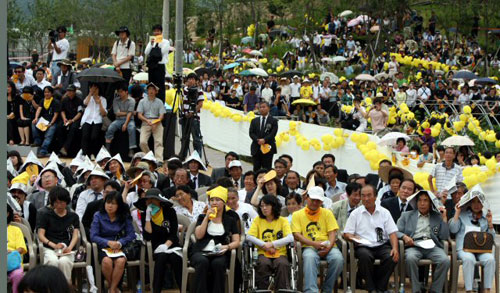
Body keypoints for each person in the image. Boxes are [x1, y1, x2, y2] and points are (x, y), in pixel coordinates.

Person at [343, 185, 399, 292]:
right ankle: (371, 288)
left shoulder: (384, 212)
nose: (366, 199)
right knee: (364, 257)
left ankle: (379, 287)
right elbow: (347, 234)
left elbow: (392, 232)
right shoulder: (356, 213)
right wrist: (355, 238)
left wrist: (395, 248)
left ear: (376, 196)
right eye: (363, 196)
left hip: (382, 245)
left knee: (392, 257)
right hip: (363, 246)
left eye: (369, 195)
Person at [291, 186, 344, 293]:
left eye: (318, 200)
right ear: (306, 198)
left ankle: (327, 289)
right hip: (308, 246)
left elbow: (332, 232)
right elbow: (297, 235)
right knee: (309, 257)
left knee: (338, 259)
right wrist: (314, 244)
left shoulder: (327, 212)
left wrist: (328, 247)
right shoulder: (297, 214)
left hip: (328, 245)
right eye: (313, 200)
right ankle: (311, 290)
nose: (315, 202)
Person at [397, 190, 450, 293]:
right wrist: (404, 237)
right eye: (420, 200)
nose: (422, 203)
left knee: (445, 260)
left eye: (425, 200)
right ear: (416, 203)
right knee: (410, 258)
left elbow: (443, 236)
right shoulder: (406, 215)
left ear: (430, 203)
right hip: (414, 245)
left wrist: (444, 218)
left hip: (432, 246)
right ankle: (416, 290)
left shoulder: (437, 216)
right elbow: (395, 231)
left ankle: (435, 290)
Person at [190, 186, 241, 293]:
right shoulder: (202, 217)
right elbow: (198, 236)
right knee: (202, 262)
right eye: (212, 200)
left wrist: (227, 247)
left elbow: (237, 241)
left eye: (218, 200)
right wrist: (206, 217)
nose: (214, 202)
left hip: (220, 252)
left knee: (218, 264)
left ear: (224, 202)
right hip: (201, 251)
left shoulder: (230, 219)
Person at [134, 188, 183, 292]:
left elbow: (174, 233)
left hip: (171, 244)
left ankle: (183, 289)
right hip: (155, 246)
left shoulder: (169, 211)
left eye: (153, 200)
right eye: (148, 200)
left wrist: (166, 245)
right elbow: (147, 236)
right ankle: (156, 290)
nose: (150, 202)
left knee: (176, 258)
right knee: (161, 258)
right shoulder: (144, 215)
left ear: (159, 201)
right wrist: (148, 218)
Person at [449, 191, 496, 293]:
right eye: (473, 202)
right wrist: (457, 213)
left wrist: (490, 223)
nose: (476, 205)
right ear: (469, 203)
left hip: (481, 249)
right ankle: (469, 290)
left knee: (490, 259)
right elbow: (453, 230)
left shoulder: (485, 217)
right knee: (469, 259)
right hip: (464, 249)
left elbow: (491, 238)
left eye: (479, 202)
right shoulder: (462, 215)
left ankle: (487, 290)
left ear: (483, 204)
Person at [90, 191, 136, 293]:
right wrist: (108, 242)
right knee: (107, 261)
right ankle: (113, 288)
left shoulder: (124, 216)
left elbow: (131, 234)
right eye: (108, 202)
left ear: (119, 205)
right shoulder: (98, 215)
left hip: (119, 246)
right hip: (103, 246)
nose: (110, 206)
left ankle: (112, 289)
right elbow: (93, 236)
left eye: (113, 203)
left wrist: (120, 242)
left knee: (121, 261)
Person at [247, 195, 293, 290]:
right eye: (262, 206)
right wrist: (264, 245)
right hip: (262, 253)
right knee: (263, 264)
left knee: (282, 264)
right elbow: (249, 236)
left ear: (274, 206)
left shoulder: (282, 220)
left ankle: (282, 290)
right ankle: (262, 290)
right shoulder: (258, 220)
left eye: (267, 205)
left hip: (280, 253)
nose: (264, 208)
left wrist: (272, 244)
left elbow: (290, 238)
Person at [36, 186, 79, 283]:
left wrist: (70, 247)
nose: (59, 205)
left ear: (66, 201)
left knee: (64, 262)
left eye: (61, 202)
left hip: (66, 248)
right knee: (52, 261)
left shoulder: (73, 216)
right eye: (56, 202)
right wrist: (53, 245)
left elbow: (75, 235)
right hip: (50, 247)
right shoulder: (45, 215)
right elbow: (41, 235)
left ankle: (65, 287)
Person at [105, 82, 137, 157]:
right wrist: (130, 112)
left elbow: (129, 114)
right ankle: (107, 148)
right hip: (118, 120)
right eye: (118, 91)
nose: (119, 93)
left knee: (132, 128)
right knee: (110, 127)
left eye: (121, 91)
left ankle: (131, 149)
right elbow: (117, 113)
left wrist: (126, 123)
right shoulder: (116, 100)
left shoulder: (132, 100)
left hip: (129, 120)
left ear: (126, 92)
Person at [137, 83, 166, 162]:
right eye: (149, 89)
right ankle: (149, 157)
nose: (151, 91)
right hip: (146, 121)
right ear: (147, 91)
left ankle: (159, 160)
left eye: (153, 89)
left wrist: (156, 122)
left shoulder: (159, 102)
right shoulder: (142, 101)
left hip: (157, 122)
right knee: (142, 142)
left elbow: (161, 115)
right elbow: (139, 115)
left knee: (158, 142)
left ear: (156, 91)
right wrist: (147, 120)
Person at [179, 73, 205, 160]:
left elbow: (200, 104)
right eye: (189, 79)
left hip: (194, 117)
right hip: (185, 117)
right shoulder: (183, 90)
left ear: (196, 81)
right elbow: (181, 102)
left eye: (193, 79)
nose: (191, 80)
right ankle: (182, 156)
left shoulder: (199, 91)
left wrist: (192, 112)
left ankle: (197, 157)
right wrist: (184, 112)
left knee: (196, 139)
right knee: (184, 138)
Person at [31, 86, 60, 157]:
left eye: (48, 92)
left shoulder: (55, 102)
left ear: (52, 93)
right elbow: (39, 109)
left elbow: (56, 114)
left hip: (52, 122)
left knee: (49, 134)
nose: (46, 94)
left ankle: (43, 151)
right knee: (33, 123)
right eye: (45, 92)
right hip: (43, 121)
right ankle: (37, 141)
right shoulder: (42, 100)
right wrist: (36, 118)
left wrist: (51, 123)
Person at [249, 102, 278, 171]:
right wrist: (258, 140)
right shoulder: (254, 121)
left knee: (267, 169)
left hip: (268, 148)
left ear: (268, 108)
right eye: (260, 107)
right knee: (256, 168)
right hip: (256, 147)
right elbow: (251, 133)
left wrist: (264, 140)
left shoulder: (273, 121)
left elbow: (273, 133)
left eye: (264, 107)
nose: (262, 109)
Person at [80, 83, 107, 157]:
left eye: (95, 88)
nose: (94, 90)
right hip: (87, 119)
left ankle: (92, 153)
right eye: (92, 88)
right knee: (85, 136)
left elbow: (104, 113)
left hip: (97, 120)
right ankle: (84, 154)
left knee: (94, 137)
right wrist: (90, 93)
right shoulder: (88, 97)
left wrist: (99, 103)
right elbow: (85, 103)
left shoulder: (103, 99)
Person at [145, 24, 170, 100]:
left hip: (160, 65)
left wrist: (158, 42)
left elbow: (161, 52)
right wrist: (152, 44)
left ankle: (161, 103)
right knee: (151, 85)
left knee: (160, 86)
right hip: (152, 66)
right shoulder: (151, 42)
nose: (156, 33)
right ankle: (151, 101)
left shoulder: (166, 42)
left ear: (161, 32)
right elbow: (146, 52)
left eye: (158, 31)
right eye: (155, 31)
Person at [59, 84, 83, 157]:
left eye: (71, 91)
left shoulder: (79, 100)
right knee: (59, 128)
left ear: (74, 92)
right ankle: (60, 149)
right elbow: (62, 111)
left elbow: (79, 113)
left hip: (75, 119)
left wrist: (72, 120)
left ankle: (65, 148)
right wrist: (64, 118)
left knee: (73, 128)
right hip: (66, 118)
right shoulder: (64, 100)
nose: (69, 92)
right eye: (68, 91)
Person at [7, 204, 26, 293]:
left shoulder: (15, 230)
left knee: (17, 274)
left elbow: (21, 248)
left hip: (12, 262)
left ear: (7, 214)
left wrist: (11, 252)